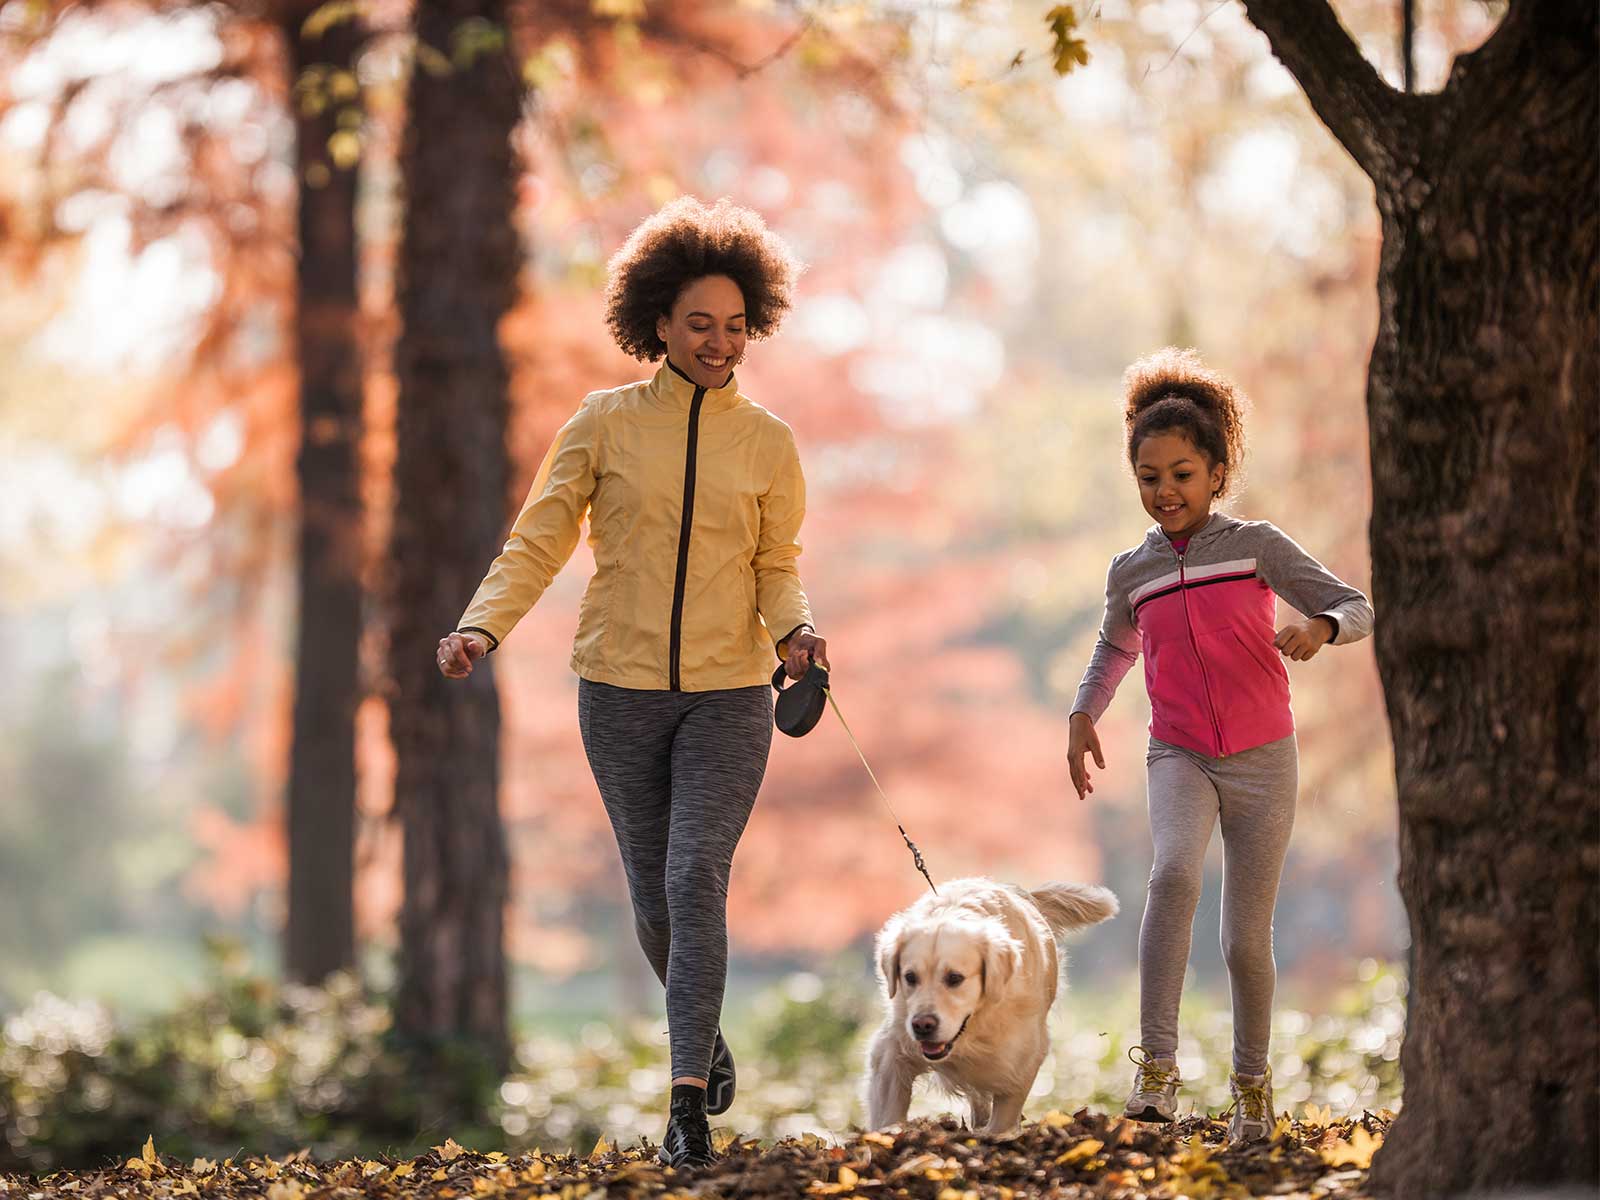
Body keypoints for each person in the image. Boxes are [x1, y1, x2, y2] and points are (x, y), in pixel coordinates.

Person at [435, 197, 828, 1169]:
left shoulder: (768, 443)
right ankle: (706, 1036)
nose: (719, 343)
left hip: (729, 694)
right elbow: (538, 539)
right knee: (655, 903)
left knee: (695, 877)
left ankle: (684, 1102)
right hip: (615, 691)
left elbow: (775, 563)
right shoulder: (602, 425)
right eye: (699, 324)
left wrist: (795, 633)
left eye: (736, 327)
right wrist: (482, 625)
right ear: (656, 322)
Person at [1065, 347, 1373, 1146]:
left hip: (1265, 755)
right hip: (1179, 752)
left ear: (1216, 471)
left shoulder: (1257, 547)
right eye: (1149, 477)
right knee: (1170, 876)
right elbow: (1116, 648)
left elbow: (1355, 603)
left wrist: (1320, 627)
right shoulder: (1132, 569)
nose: (1165, 491)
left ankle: (1252, 1088)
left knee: (1244, 939)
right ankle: (1158, 1073)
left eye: (1182, 474)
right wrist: (1083, 713)